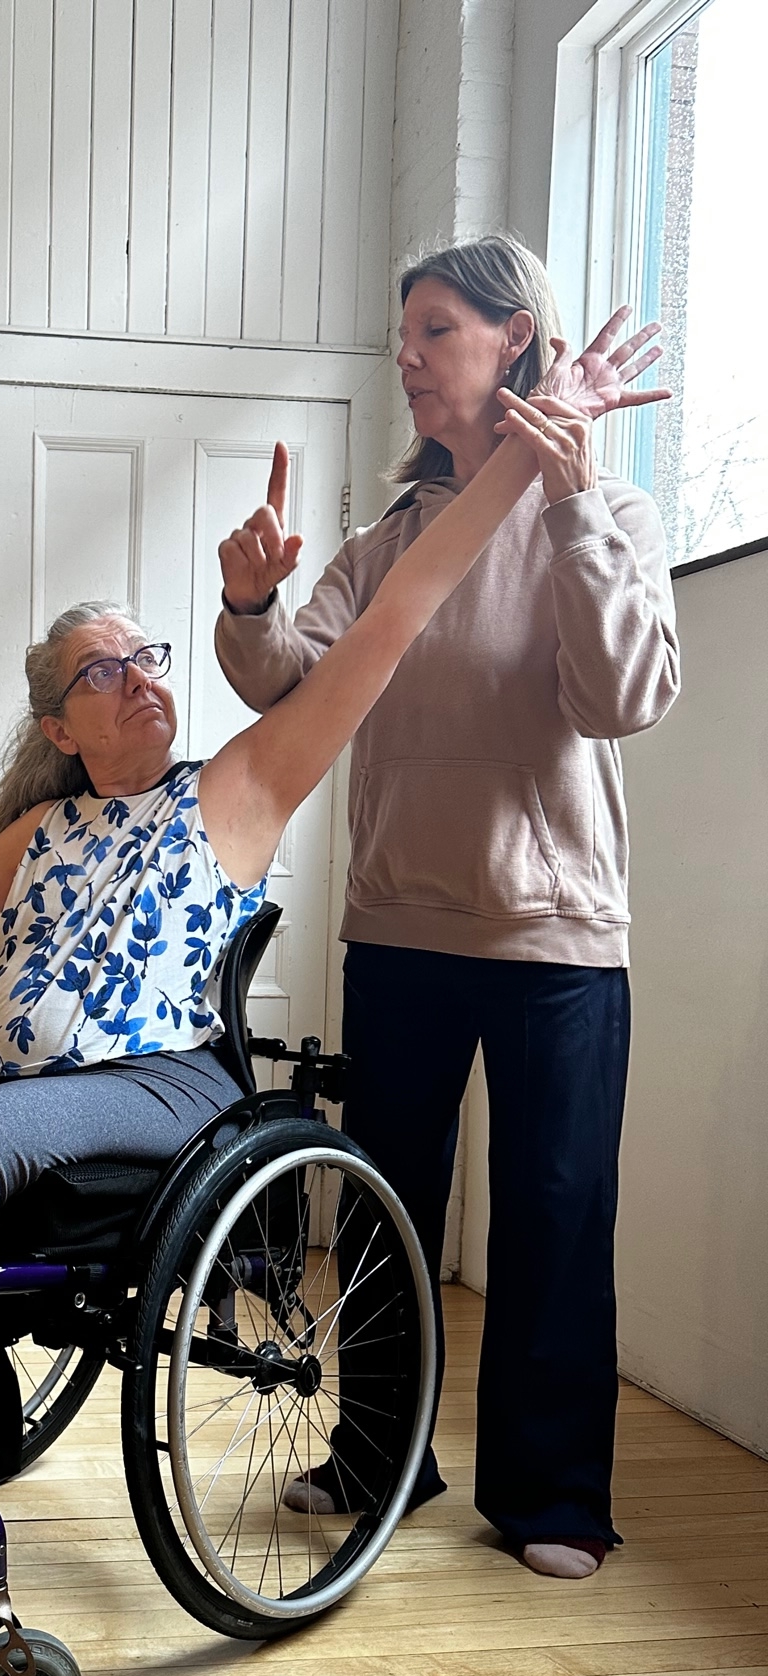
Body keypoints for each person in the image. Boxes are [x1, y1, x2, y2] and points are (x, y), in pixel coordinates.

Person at [0, 363, 605, 1640]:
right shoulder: (42, 829)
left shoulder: (233, 787)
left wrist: (523, 453)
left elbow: (399, 610)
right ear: (62, 724)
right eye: (104, 672)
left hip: (154, 1080)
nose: (141, 679)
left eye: (146, 658)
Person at [214, 235, 676, 1581]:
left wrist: (579, 508)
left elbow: (622, 700)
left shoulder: (610, 512)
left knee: (553, 1216)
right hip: (399, 928)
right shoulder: (386, 541)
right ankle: (376, 1460)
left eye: (434, 333)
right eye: (401, 336)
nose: (405, 360)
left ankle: (552, 1500)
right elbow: (288, 679)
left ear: (513, 338)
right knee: (382, 1216)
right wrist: (254, 603)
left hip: (557, 942)